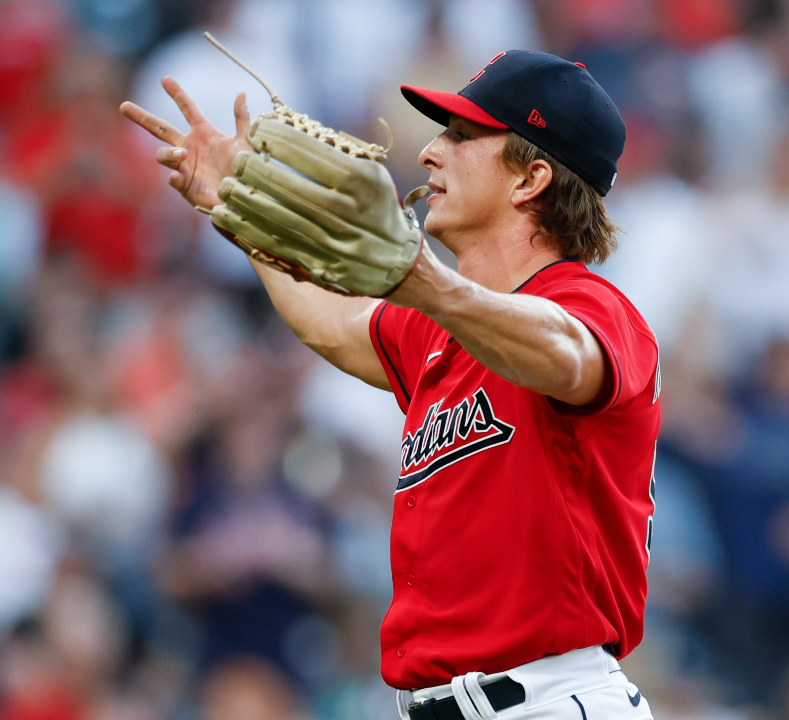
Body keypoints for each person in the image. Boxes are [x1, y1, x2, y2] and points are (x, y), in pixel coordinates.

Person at [120, 50, 660, 720]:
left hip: (548, 701)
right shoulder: (434, 330)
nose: (431, 151)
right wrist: (239, 207)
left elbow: (564, 351)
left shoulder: (596, 310)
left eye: (462, 136)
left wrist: (428, 283)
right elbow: (332, 325)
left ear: (533, 179)